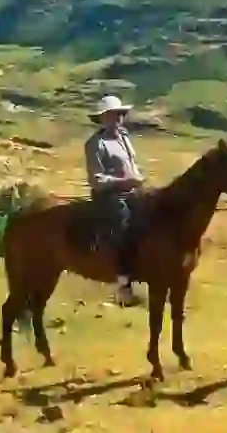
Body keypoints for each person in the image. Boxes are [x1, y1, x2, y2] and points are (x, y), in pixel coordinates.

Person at [85, 95, 146, 307]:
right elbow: (96, 179)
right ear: (102, 118)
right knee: (122, 219)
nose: (118, 118)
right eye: (113, 114)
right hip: (109, 196)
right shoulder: (95, 144)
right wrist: (125, 180)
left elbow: (132, 163)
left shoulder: (123, 136)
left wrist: (137, 178)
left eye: (120, 114)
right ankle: (123, 281)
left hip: (131, 191)